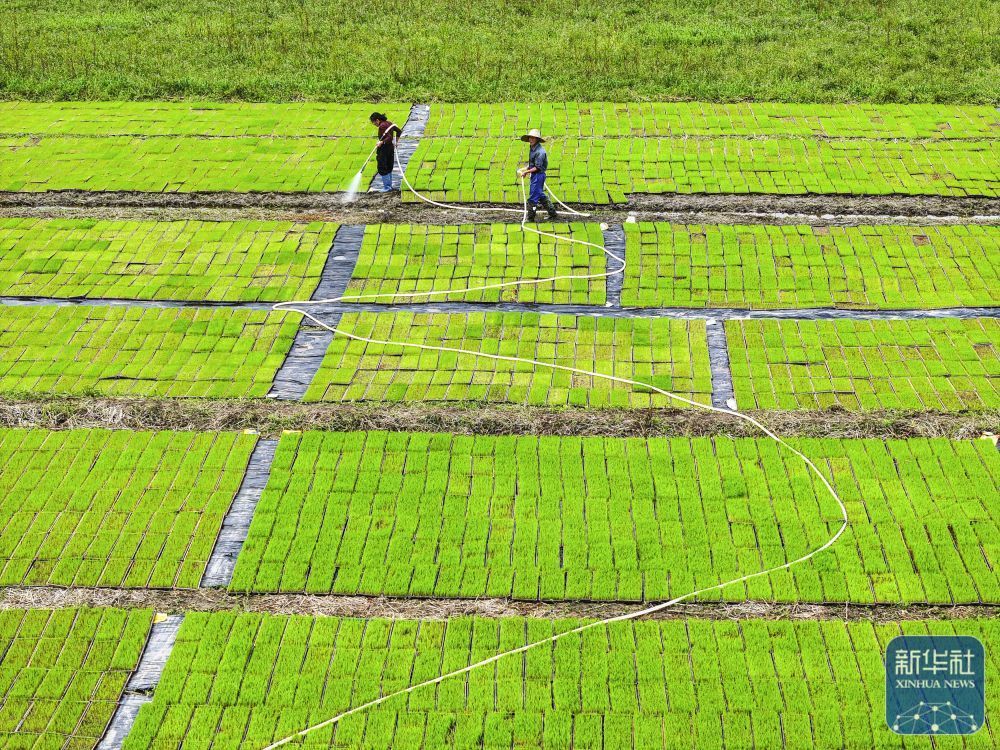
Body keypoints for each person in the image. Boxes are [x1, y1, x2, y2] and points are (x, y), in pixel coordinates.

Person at [517, 128, 557, 221]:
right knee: (540, 195)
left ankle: (531, 216)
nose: (531, 140)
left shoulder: (540, 152)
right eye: (530, 138)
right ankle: (552, 212)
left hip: (538, 176)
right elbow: (533, 164)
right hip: (535, 175)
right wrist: (527, 168)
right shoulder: (532, 148)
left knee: (533, 198)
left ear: (537, 139)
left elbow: (537, 167)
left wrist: (526, 172)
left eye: (533, 138)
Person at [370, 112, 402, 192]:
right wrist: (396, 142)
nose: (374, 124)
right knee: (388, 166)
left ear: (377, 120)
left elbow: (389, 137)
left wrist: (381, 142)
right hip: (390, 148)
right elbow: (399, 131)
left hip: (384, 149)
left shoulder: (382, 126)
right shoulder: (389, 123)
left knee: (382, 167)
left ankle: (387, 187)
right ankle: (389, 186)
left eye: (373, 122)